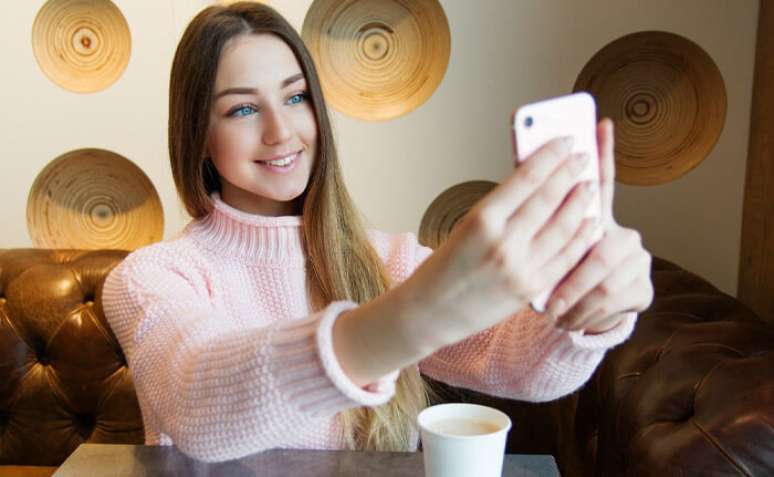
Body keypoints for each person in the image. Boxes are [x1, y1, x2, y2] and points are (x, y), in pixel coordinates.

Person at [102, 2, 653, 463]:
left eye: (296, 97)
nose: (281, 131)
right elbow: (199, 402)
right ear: (197, 135)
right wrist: (414, 317)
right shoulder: (151, 279)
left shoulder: (384, 260)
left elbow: (524, 367)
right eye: (243, 108)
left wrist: (588, 310)